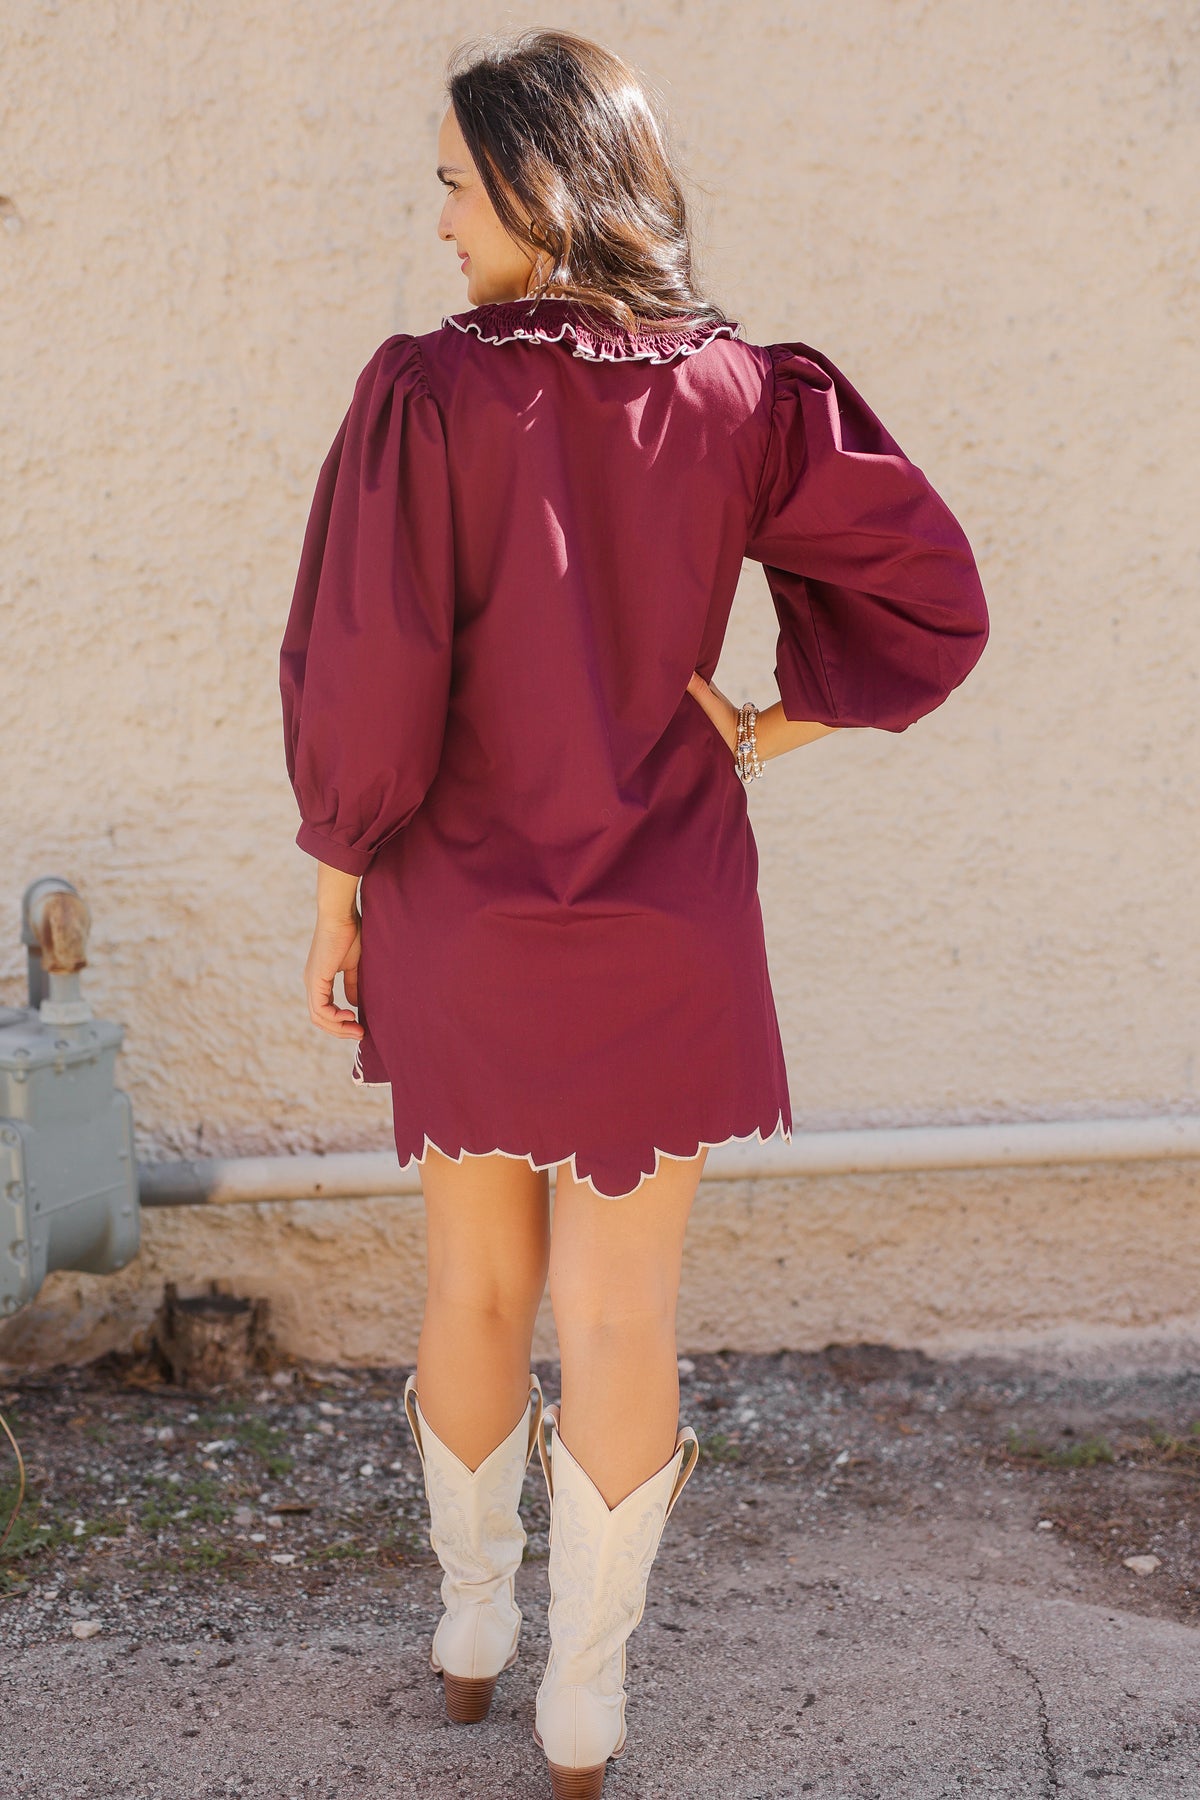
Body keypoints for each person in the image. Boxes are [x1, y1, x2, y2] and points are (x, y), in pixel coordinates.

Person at [279, 28, 989, 1799]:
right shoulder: (750, 390)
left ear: (532, 184)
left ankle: (467, 1636)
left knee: (472, 1284)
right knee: (620, 1317)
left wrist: (339, 875)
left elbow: (368, 681)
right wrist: (766, 726)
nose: (439, 220)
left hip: (458, 903)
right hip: (671, 915)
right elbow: (932, 594)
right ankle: (583, 1712)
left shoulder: (423, 396)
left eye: (455, 182)